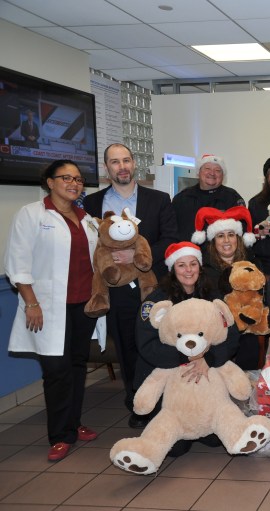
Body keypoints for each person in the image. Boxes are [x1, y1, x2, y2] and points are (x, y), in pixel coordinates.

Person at [4, 160, 105, 461]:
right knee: (56, 371)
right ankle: (60, 435)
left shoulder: (87, 219)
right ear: (49, 182)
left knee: (76, 366)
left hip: (82, 306)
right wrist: (31, 303)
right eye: (66, 178)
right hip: (47, 306)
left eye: (78, 179)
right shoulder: (32, 215)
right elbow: (17, 263)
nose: (74, 183)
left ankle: (73, 424)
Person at [83, 143, 178, 429]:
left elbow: (170, 240)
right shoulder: (92, 204)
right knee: (126, 346)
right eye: (114, 162)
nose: (121, 166)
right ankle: (137, 402)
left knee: (159, 343)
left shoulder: (159, 199)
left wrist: (137, 258)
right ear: (106, 168)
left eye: (126, 160)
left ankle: (165, 401)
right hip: (118, 290)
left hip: (153, 286)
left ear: (134, 163)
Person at [135, 242, 240, 457]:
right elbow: (146, 345)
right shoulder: (156, 300)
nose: (189, 270)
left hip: (204, 374)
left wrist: (208, 358)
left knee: (213, 439)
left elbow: (232, 335)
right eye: (182, 265)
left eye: (193, 264)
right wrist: (187, 356)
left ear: (200, 267)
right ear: (173, 269)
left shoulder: (212, 294)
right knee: (176, 449)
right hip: (170, 375)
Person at [192, 205, 262, 370]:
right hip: (216, 331)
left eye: (231, 235)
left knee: (249, 345)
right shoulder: (203, 270)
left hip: (246, 331)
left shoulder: (252, 264)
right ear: (213, 240)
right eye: (220, 236)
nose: (226, 241)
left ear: (237, 238)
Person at [172, 154, 245, 243]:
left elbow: (242, 232)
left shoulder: (232, 198)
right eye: (207, 169)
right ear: (199, 172)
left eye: (218, 170)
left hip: (222, 255)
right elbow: (171, 232)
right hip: (189, 254)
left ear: (223, 176)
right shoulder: (181, 199)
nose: (212, 173)